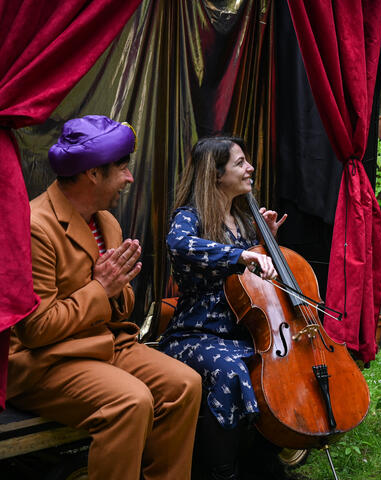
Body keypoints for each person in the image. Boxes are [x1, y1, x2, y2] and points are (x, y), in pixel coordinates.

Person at [7, 115, 202, 480]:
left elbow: (120, 306)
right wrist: (101, 288)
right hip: (47, 362)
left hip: (105, 345)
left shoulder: (106, 222)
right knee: (130, 402)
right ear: (93, 173)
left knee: (184, 385)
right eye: (123, 168)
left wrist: (116, 289)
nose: (129, 178)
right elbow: (35, 330)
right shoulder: (36, 226)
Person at [160, 136, 293, 480]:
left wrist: (266, 245)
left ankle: (262, 461)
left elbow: (255, 284)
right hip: (196, 334)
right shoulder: (189, 217)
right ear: (216, 174)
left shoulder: (245, 220)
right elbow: (179, 244)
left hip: (242, 331)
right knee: (231, 371)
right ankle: (221, 473)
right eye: (239, 163)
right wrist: (242, 255)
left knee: (278, 368)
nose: (250, 168)